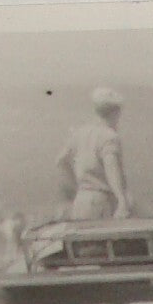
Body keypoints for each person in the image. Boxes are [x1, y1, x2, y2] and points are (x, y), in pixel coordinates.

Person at [56, 86, 132, 221]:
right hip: (102, 201)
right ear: (115, 112)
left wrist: (76, 184)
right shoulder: (109, 137)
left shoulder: (79, 133)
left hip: (81, 200)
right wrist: (122, 200)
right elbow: (112, 170)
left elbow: (61, 161)